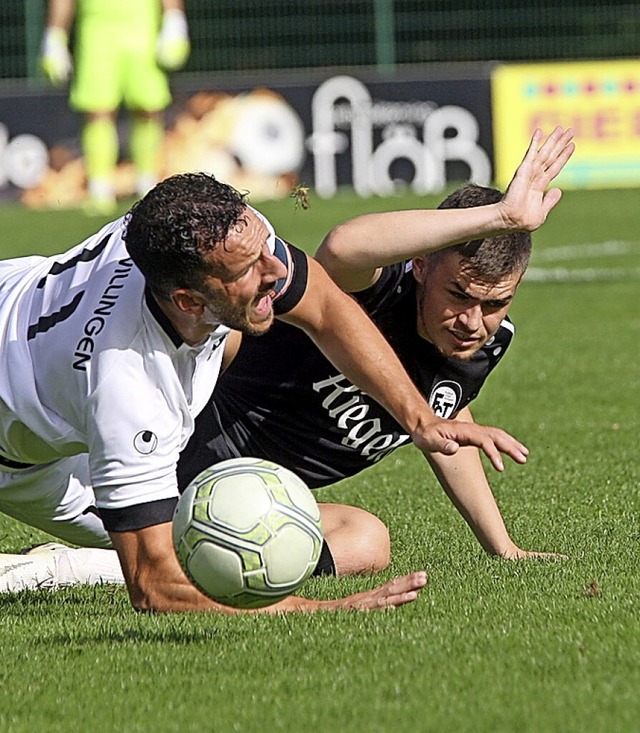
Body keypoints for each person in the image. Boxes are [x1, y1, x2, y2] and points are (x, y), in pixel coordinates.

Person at [0, 126, 574, 593]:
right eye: (459, 296)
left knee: (364, 539)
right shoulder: (130, 382)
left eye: (493, 304)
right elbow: (155, 589)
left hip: (22, 307)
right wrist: (334, 612)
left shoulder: (209, 234)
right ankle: (58, 569)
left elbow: (435, 404)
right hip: (40, 449)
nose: (278, 273)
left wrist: (499, 540)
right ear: (188, 299)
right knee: (155, 549)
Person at [40, 0, 190, 214]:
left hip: (143, 27)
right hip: (96, 30)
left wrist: (175, 20)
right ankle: (99, 189)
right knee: (97, 109)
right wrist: (54, 36)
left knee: (148, 107)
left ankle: (147, 185)